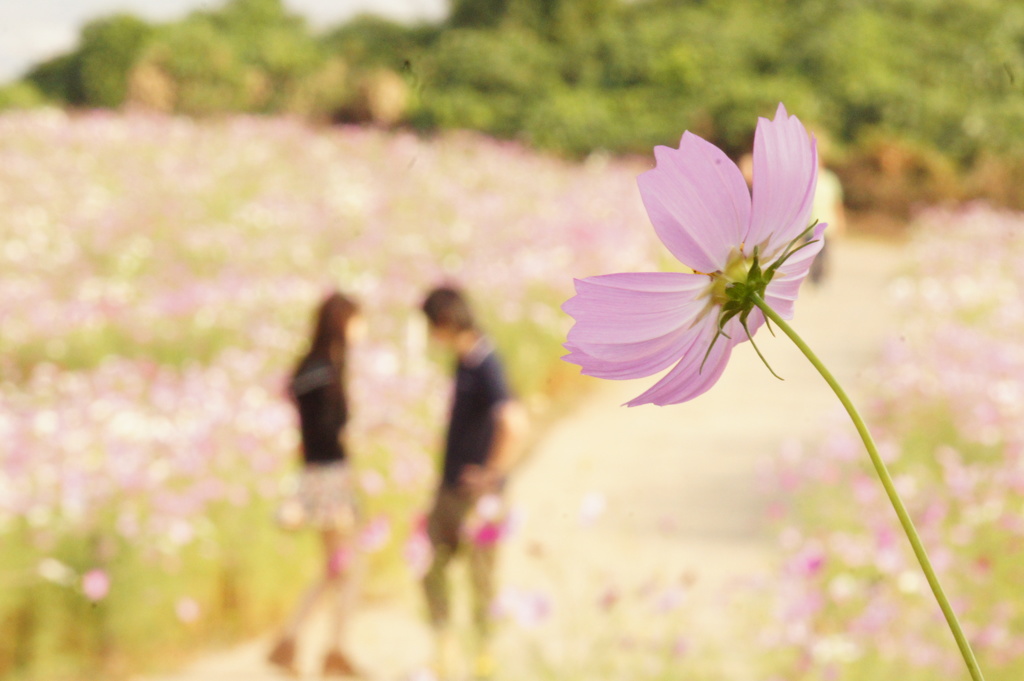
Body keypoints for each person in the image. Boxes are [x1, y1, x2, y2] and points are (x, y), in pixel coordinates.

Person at [419, 286, 527, 681]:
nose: (432, 337)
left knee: (481, 578)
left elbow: (514, 422)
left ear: (445, 324)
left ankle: (483, 659)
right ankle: (445, 647)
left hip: (475, 496)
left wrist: (492, 474)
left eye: (432, 328)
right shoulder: (465, 361)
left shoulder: (485, 362)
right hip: (451, 490)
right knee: (430, 564)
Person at [268, 291, 365, 678]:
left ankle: (299, 642)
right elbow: (325, 433)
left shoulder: (315, 368)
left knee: (337, 566)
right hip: (329, 476)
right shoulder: (325, 371)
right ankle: (329, 648)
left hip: (319, 474)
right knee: (346, 566)